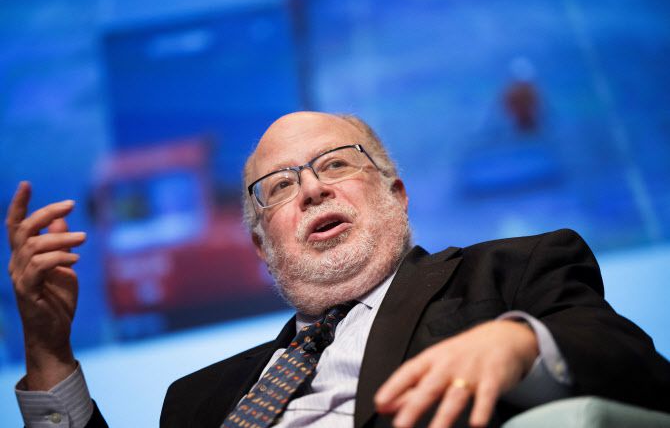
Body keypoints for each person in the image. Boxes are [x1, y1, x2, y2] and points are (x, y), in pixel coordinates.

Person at [7, 112, 670, 428]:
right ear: (262, 246)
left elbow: (635, 367)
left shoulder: (505, 274)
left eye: (336, 164)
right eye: (279, 186)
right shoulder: (193, 401)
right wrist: (47, 349)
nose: (312, 188)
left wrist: (517, 341)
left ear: (396, 194)